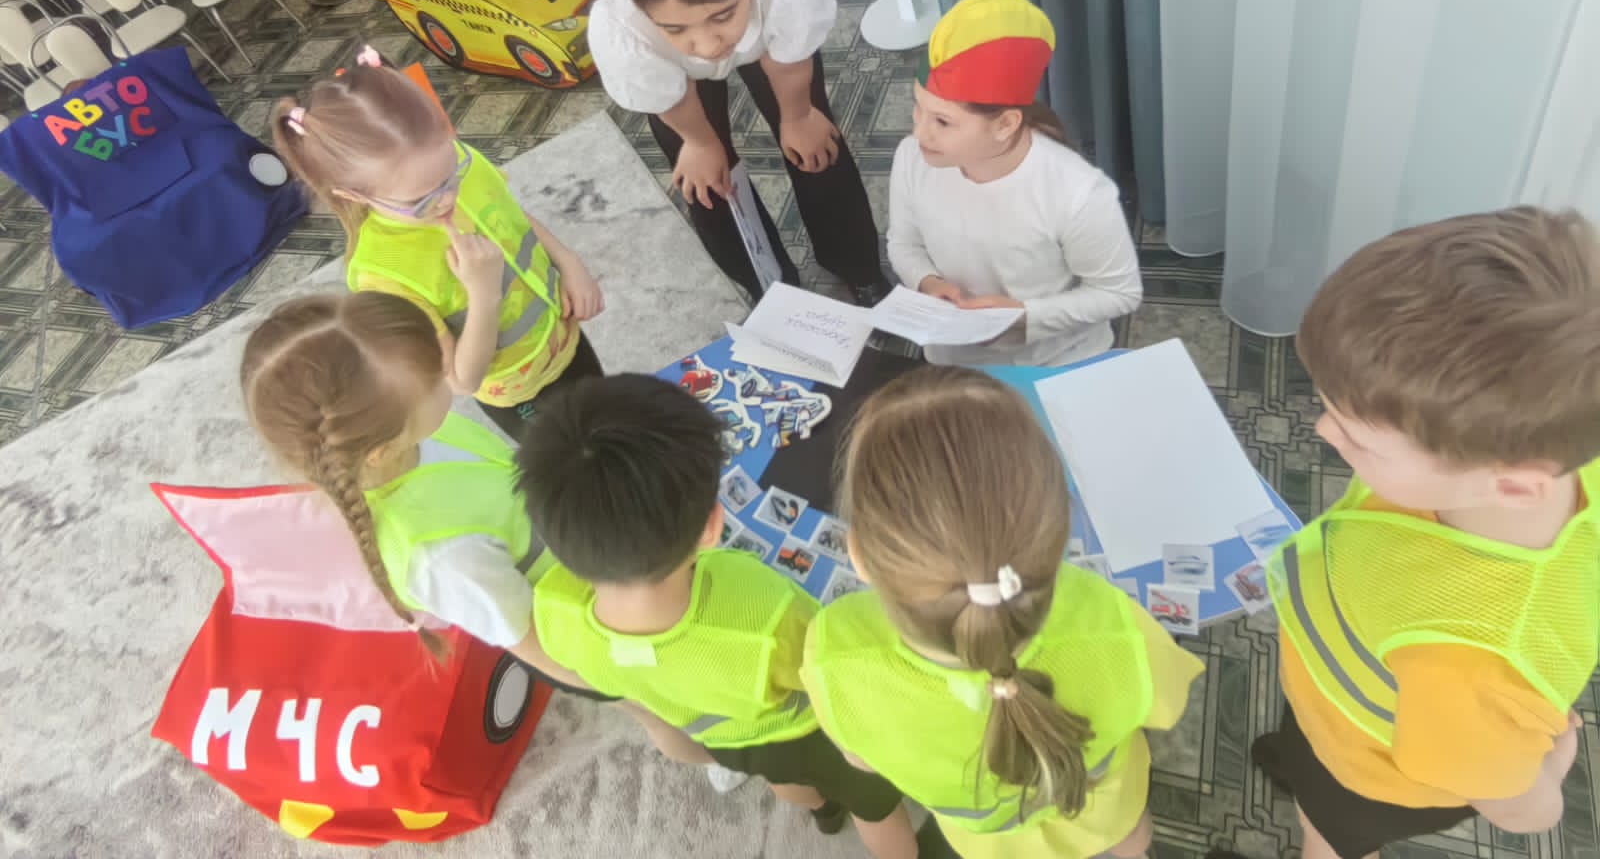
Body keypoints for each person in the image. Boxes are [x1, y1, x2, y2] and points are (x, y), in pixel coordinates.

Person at [1254, 207, 1600, 859]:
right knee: (1302, 755)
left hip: (1366, 777)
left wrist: (1549, 785)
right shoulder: (1534, 451)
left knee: (1326, 836)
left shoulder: (1472, 662)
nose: (1322, 431)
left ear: (1512, 484)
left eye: (1357, 436)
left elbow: (1516, 807)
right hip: (1337, 694)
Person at [802, 365, 1202, 859]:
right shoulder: (1116, 627)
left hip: (990, 843)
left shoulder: (835, 655)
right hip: (1104, 813)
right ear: (1059, 535)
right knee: (1130, 841)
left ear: (859, 556)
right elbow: (1166, 703)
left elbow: (860, 759)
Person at [514, 374, 918, 858]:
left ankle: (822, 813)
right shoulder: (760, 614)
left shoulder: (552, 609)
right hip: (808, 729)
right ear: (711, 527)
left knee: (783, 779)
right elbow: (827, 667)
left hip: (726, 738)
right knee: (876, 806)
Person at [586, 0, 891, 306]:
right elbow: (667, 96)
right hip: (674, 83)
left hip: (775, 46)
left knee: (815, 143)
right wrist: (700, 143)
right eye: (676, 27)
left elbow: (788, 60)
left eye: (723, 14)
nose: (708, 46)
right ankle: (769, 287)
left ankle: (857, 265)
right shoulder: (617, 23)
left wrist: (797, 115)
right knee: (706, 181)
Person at [239, 291, 580, 681]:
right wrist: (622, 686)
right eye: (436, 375)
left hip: (582, 547)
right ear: (382, 450)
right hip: (582, 621)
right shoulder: (441, 556)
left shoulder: (415, 431)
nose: (448, 364)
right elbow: (537, 644)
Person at [271, 48, 603, 439]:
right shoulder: (383, 275)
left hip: (564, 336)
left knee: (614, 418)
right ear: (354, 195)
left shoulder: (457, 163)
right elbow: (462, 380)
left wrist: (569, 263)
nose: (448, 199)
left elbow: (510, 215)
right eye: (421, 199)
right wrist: (483, 294)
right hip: (517, 392)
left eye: (451, 175)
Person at [886, 0, 1141, 367]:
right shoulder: (913, 158)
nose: (919, 133)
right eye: (917, 109)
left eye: (942, 121)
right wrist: (928, 282)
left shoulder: (1079, 193)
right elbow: (903, 243)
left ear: (1005, 124)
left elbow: (1119, 293)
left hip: (1054, 360)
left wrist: (1025, 317)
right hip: (953, 360)